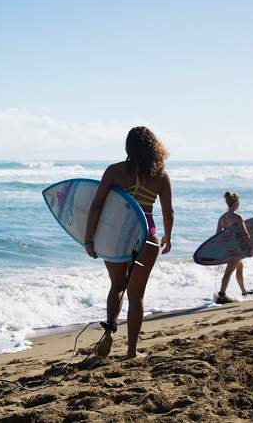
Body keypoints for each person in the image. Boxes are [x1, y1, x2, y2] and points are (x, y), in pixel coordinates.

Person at [84, 126, 174, 359]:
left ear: (128, 147)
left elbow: (96, 205)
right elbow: (168, 212)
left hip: (115, 237)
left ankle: (109, 331)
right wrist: (168, 236)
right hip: (147, 239)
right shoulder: (161, 175)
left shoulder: (115, 171)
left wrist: (89, 237)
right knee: (136, 296)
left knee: (117, 286)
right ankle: (132, 351)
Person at [215, 191, 253, 304]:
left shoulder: (222, 218)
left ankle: (244, 291)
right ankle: (221, 295)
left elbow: (217, 236)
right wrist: (250, 247)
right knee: (229, 271)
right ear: (235, 203)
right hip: (237, 249)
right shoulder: (238, 217)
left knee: (240, 266)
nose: (239, 204)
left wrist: (221, 250)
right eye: (239, 202)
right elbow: (245, 234)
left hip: (228, 249)